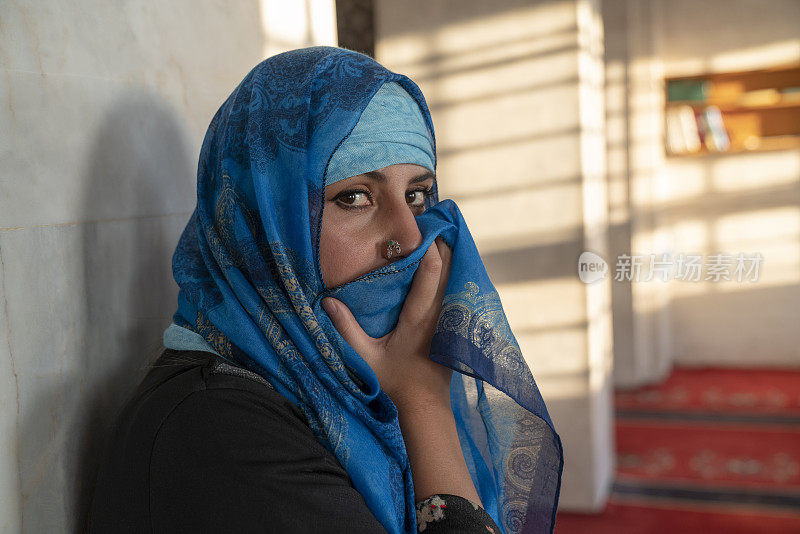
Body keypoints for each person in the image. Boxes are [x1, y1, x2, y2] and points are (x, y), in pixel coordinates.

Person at [88, 46, 563, 533]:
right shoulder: (219, 431)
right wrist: (425, 405)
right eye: (354, 197)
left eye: (417, 195)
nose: (410, 238)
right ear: (265, 221)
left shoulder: (338, 384)